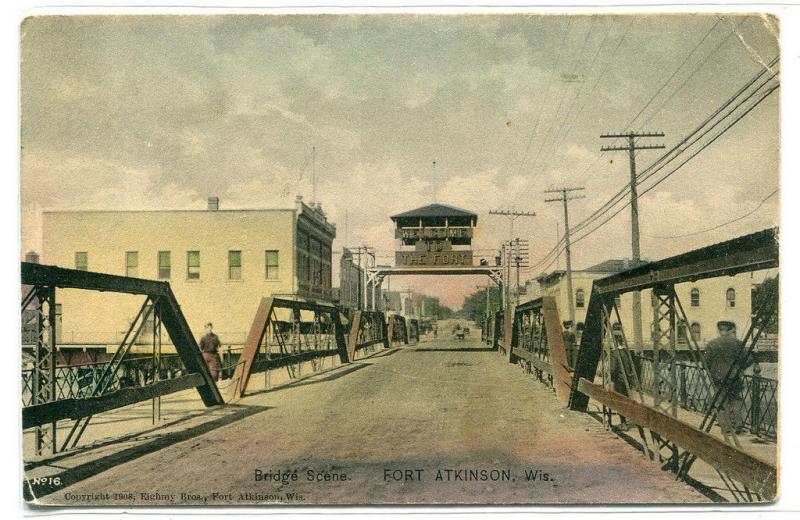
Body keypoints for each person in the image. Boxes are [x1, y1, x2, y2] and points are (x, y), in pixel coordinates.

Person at [705, 320, 751, 435]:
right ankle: (738, 424)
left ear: (719, 330)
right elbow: (749, 359)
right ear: (730, 330)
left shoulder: (711, 344)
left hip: (718, 377)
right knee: (736, 400)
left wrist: (713, 372)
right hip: (734, 377)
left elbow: (706, 362)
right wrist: (739, 369)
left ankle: (726, 428)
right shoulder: (738, 343)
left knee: (721, 402)